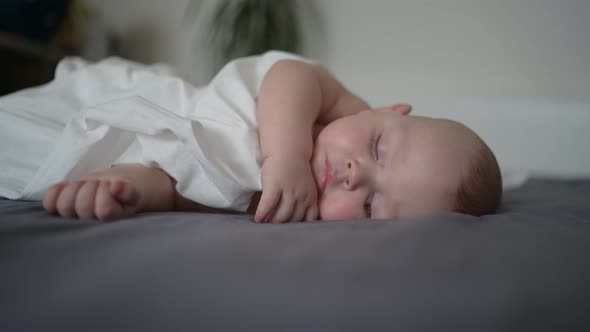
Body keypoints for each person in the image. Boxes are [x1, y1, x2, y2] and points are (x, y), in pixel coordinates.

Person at [0, 51, 502, 222]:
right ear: (391, 110)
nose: (355, 175)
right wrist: (284, 152)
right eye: (377, 148)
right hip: (162, 104)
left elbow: (188, 188)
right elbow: (287, 75)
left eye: (371, 206)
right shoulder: (338, 108)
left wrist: (132, 188)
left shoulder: (298, 208)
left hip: (159, 154)